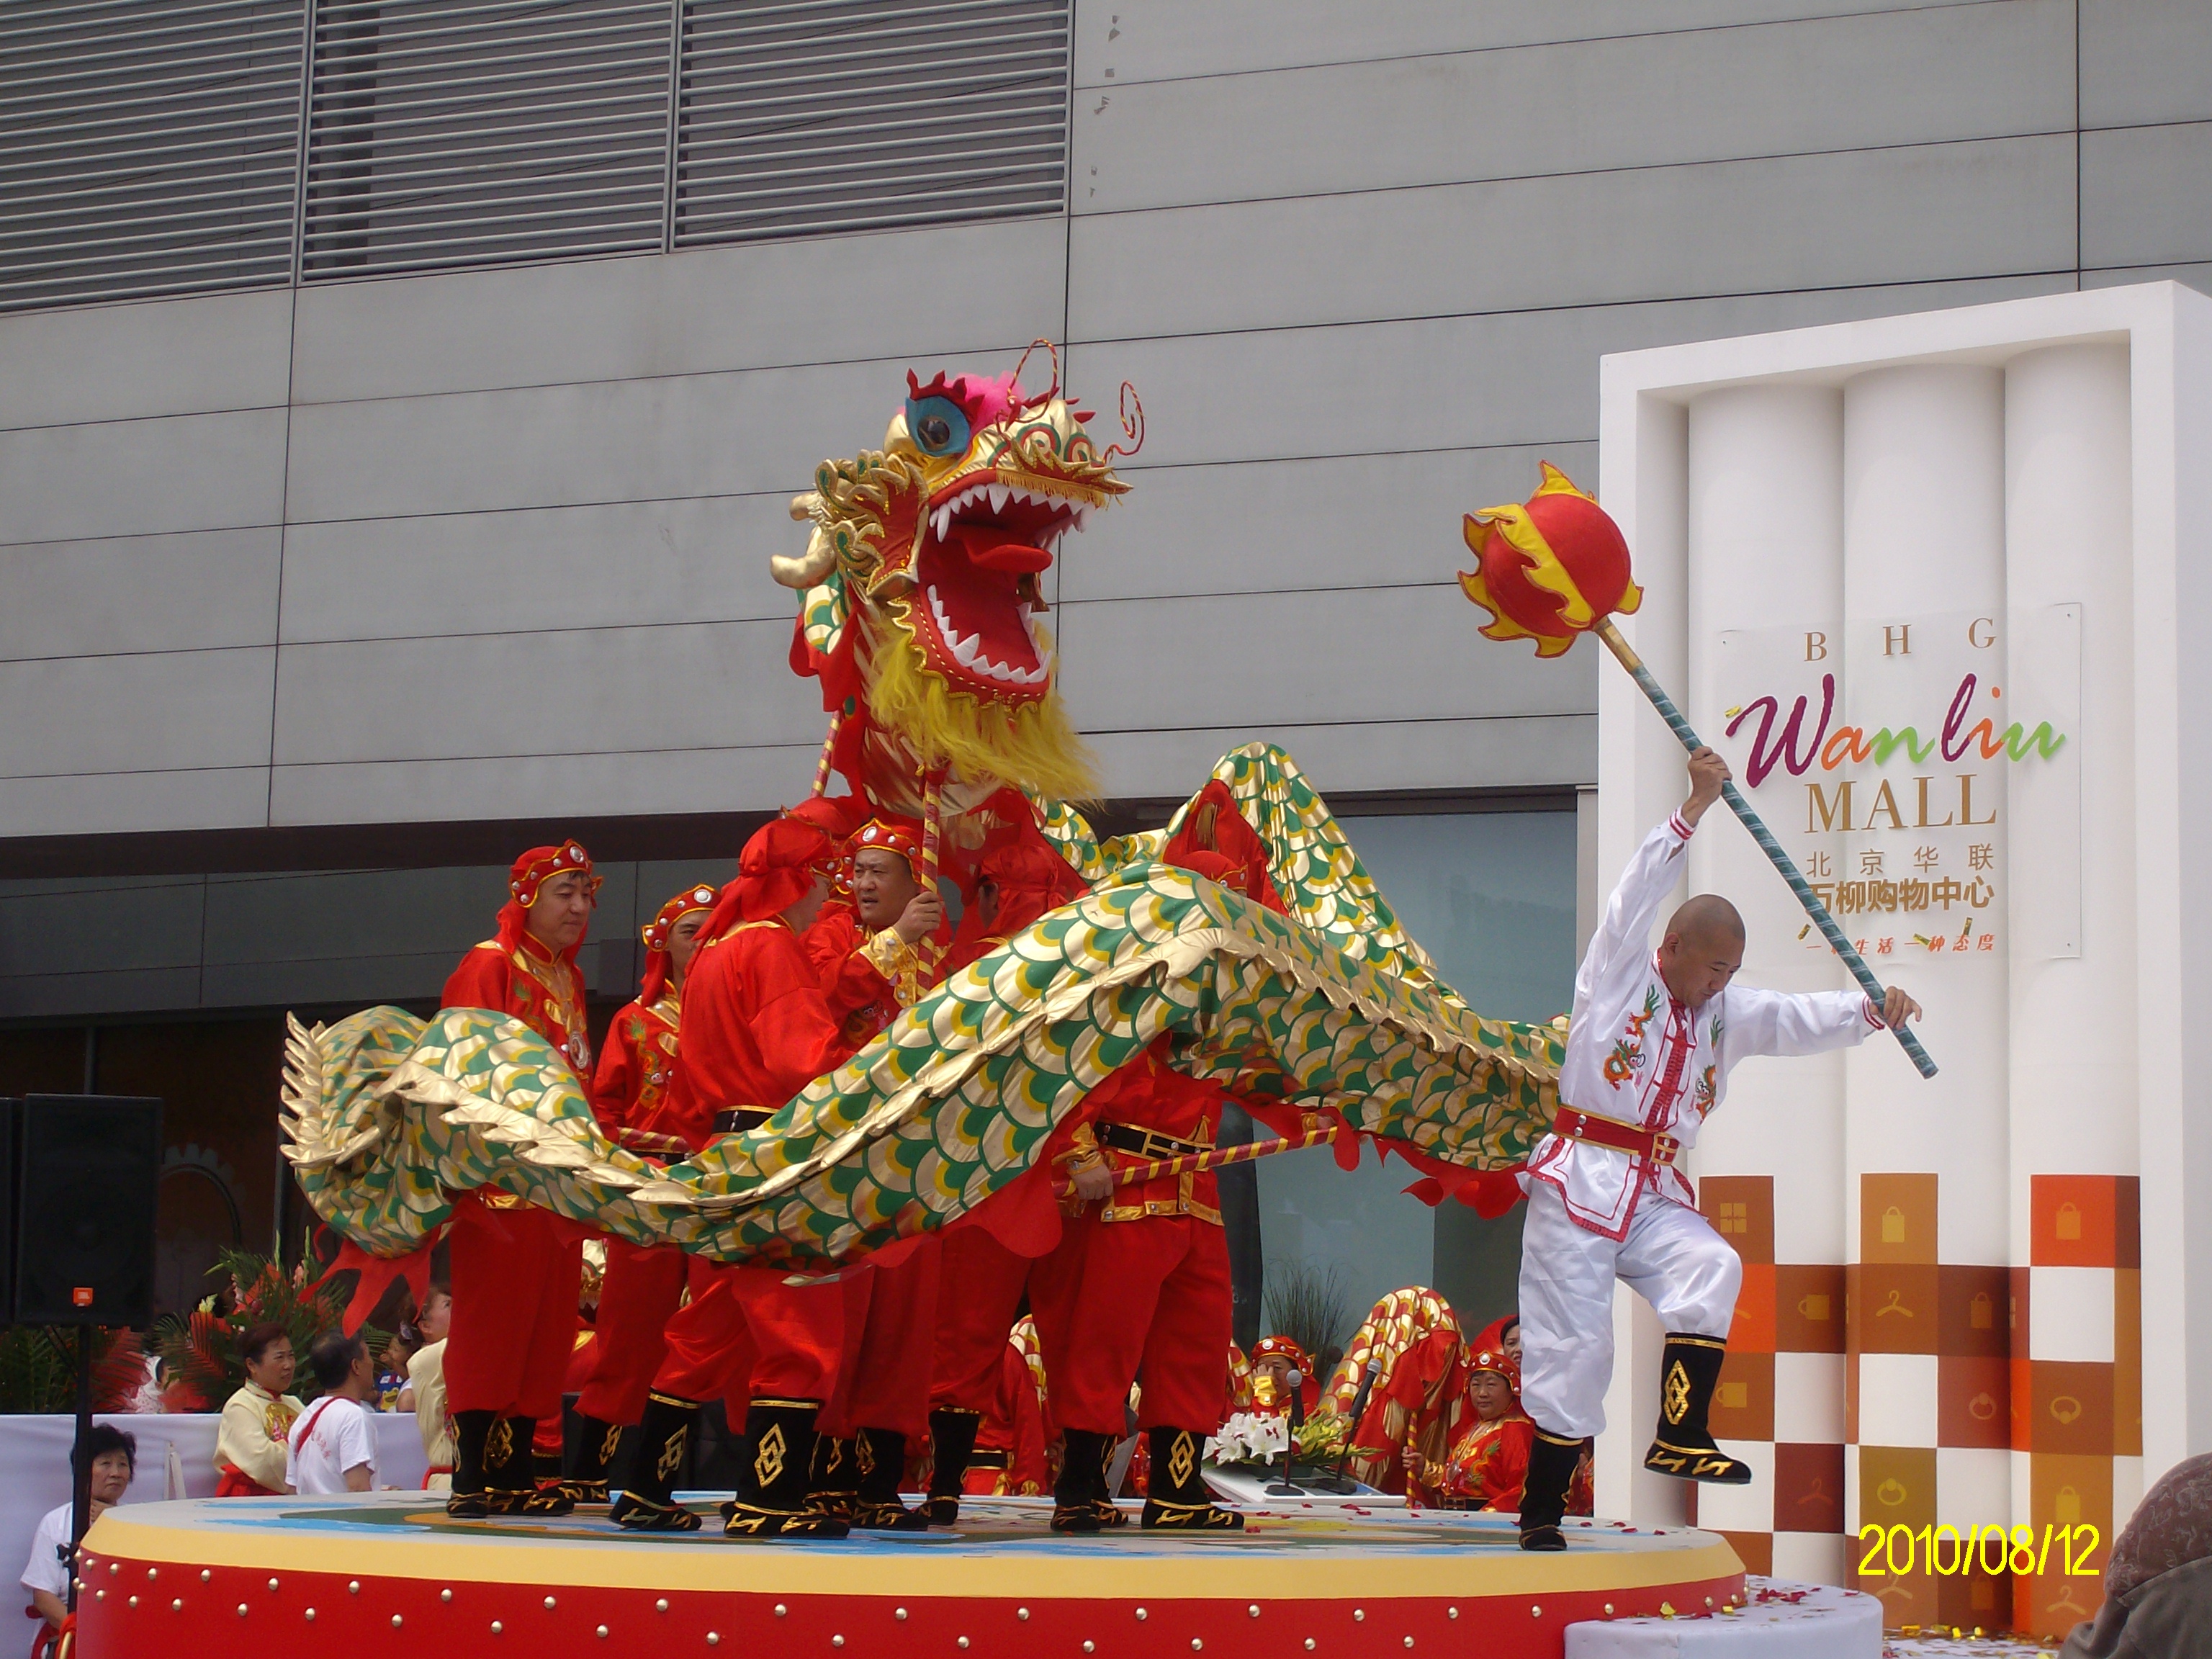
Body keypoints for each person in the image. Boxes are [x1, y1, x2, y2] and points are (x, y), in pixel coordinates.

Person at [1514, 747, 1922, 1550]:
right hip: (1582, 1183)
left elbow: (1797, 1018)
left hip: (1654, 1191)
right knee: (1577, 1347)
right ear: (1671, 949)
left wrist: (1875, 1013)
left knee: (1712, 1265)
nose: (1718, 984)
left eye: (1729, 972)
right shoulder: (1618, 978)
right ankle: (1541, 1513)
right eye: (1711, 967)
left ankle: (1682, 1429)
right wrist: (1692, 810)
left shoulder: (1725, 1014)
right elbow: (1630, 903)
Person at [612, 812, 880, 1538]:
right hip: (776, 1159)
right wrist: (888, 1071)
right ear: (799, 878)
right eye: (825, 872)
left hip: (722, 1155)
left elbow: (689, 1092)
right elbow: (806, 1063)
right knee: (802, 1328)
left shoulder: (714, 956)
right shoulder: (770, 950)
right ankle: (770, 1499)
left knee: (709, 1329)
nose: (833, 885)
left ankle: (644, 1488)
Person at [1048, 784, 1283, 1534]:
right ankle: (1079, 1487)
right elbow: (1072, 1076)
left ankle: (1176, 1491)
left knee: (1198, 1339)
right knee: (1103, 1342)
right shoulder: (1124, 988)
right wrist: (1078, 1154)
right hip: (1126, 1180)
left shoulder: (1229, 1006)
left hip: (1197, 1185)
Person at [439, 840, 598, 1518]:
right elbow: (457, 1069)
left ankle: (515, 1471)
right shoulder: (491, 964)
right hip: (499, 1185)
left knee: (547, 1327)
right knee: (492, 1324)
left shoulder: (569, 978)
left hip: (557, 1185)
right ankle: (471, 1472)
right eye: (564, 892)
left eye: (586, 893)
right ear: (526, 896)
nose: (578, 906)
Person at [22, 1425, 134, 1635]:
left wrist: (112, 1522)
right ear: (82, 1470)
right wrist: (83, 1632)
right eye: (105, 1463)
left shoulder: (136, 1523)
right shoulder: (55, 1522)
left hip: (122, 1631)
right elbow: (43, 1596)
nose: (116, 1473)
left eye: (122, 1464)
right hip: (70, 1633)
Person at [1406, 1343, 1532, 1511]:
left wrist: (1485, 1517)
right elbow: (1458, 1480)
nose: (1482, 1393)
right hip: (1458, 1517)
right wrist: (1425, 1469)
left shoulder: (1516, 1430)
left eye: (1491, 1385)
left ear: (1512, 1389)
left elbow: (1521, 1489)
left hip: (1488, 1524)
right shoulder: (1473, 1430)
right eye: (1476, 1385)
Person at [286, 1331, 381, 1496]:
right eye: (369, 1356)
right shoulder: (353, 1417)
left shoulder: (305, 1417)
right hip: (345, 1519)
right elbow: (358, 1489)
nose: (372, 1363)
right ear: (356, 1366)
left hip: (309, 1519)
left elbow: (292, 1489)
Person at [215, 1323, 302, 1496]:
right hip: (254, 1502)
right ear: (252, 1365)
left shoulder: (294, 1403)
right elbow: (263, 1460)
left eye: (291, 1356)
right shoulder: (240, 1405)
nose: (288, 1365)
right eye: (279, 1358)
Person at [396, 1282, 454, 1488]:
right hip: (448, 1479)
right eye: (448, 1305)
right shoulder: (425, 1360)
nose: (458, 1309)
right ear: (425, 1326)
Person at [1249, 1336, 1321, 1419]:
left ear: (1296, 1372)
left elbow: (1268, 1429)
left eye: (1277, 1368)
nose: (1270, 1375)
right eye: (1263, 1369)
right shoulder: (1246, 1410)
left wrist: (1265, 1395)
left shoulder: (1306, 1413)